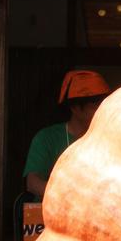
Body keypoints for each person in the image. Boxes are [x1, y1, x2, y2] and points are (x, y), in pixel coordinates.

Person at [23, 70, 111, 199]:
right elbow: (32, 183)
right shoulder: (47, 138)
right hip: (53, 214)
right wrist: (68, 198)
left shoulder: (108, 139)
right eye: (94, 105)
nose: (101, 110)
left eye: (103, 104)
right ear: (74, 107)